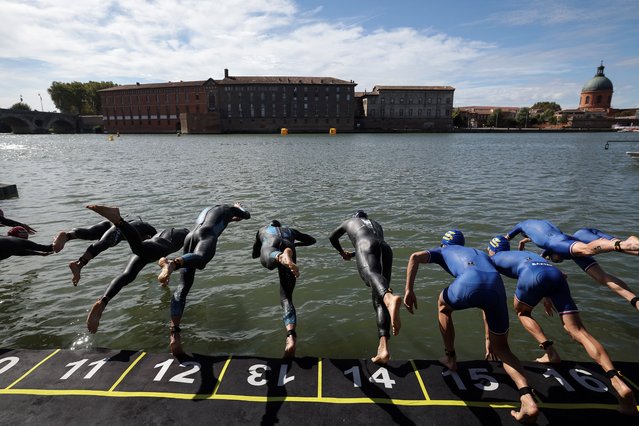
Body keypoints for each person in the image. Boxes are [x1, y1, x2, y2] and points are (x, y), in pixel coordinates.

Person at [487, 235, 637, 416]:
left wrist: (489, 338)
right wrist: (546, 296)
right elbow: (543, 271)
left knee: (523, 312)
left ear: (492, 250)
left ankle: (550, 351)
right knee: (579, 331)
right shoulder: (523, 254)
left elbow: (490, 287)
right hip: (555, 274)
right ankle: (617, 381)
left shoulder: (493, 258)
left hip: (532, 276)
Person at [404, 230, 539, 423]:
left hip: (468, 281)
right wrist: (488, 339)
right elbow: (485, 304)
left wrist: (409, 290)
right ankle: (527, 399)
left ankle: (450, 357)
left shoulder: (442, 251)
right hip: (496, 287)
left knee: (443, 306)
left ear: (443, 244)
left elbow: (414, 257)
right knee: (503, 349)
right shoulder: (480, 253)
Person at [157, 203, 251, 356]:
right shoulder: (229, 209)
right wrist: (239, 207)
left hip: (191, 236)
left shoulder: (209, 210)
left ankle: (174, 333)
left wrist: (231, 219)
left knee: (183, 287)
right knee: (201, 260)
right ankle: (173, 263)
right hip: (207, 235)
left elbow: (215, 221)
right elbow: (247, 215)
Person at [84, 204, 189, 334]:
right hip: (159, 247)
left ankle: (103, 301)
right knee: (138, 248)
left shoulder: (160, 235)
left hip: (151, 250)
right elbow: (186, 259)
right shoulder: (185, 234)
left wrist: (165, 271)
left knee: (127, 275)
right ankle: (118, 220)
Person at [505, 220, 639, 311]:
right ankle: (635, 301)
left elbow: (504, 239)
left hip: (568, 240)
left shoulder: (547, 243)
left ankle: (626, 243)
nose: (559, 261)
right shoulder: (538, 229)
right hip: (575, 237)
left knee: (589, 249)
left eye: (557, 260)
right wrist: (526, 241)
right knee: (602, 278)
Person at [328, 210, 402, 365]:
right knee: (378, 300)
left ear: (355, 218)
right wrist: (354, 254)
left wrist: (342, 252)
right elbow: (373, 246)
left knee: (369, 276)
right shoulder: (376, 224)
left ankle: (389, 297)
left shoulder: (349, 222)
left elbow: (332, 237)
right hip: (385, 249)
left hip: (366, 246)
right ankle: (383, 349)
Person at [252, 220, 316, 358]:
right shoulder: (291, 231)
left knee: (267, 262)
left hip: (272, 247)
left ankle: (280, 256)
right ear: (280, 226)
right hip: (289, 245)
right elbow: (312, 240)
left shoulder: (262, 230)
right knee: (286, 297)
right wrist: (295, 244)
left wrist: (262, 247)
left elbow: (255, 254)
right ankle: (291, 336)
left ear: (270, 226)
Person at [52, 218, 157, 286]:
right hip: (121, 227)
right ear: (147, 238)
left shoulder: (143, 227)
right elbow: (148, 254)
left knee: (90, 233)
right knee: (106, 242)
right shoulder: (152, 236)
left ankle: (67, 236)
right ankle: (79, 264)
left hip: (110, 223)